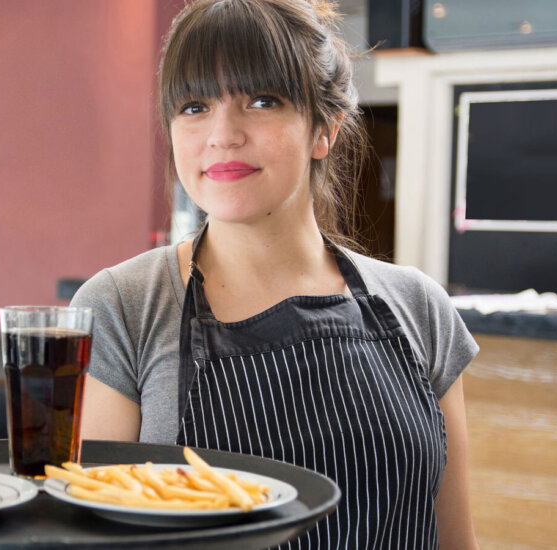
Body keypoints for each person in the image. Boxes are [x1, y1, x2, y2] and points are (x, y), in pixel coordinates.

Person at [72, 0, 480, 548]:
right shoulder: (124, 306)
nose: (223, 134)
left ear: (325, 129)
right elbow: (92, 535)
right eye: (194, 106)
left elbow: (456, 541)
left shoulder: (419, 306)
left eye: (262, 101)